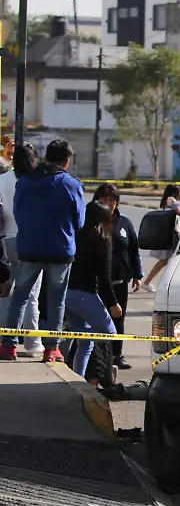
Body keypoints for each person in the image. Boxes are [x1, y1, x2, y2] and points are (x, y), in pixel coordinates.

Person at [1, 139, 86, 363]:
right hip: (61, 250)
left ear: (46, 156)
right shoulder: (71, 184)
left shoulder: (26, 181)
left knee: (20, 296)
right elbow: (79, 222)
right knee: (56, 299)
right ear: (66, 162)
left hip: (29, 247)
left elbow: (18, 213)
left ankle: (9, 346)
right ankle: (51, 349)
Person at [63, 201, 122, 381]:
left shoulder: (75, 234)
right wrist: (113, 303)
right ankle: (101, 374)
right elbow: (104, 276)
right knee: (108, 331)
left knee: (85, 340)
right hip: (84, 293)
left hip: (67, 293)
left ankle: (77, 379)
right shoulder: (102, 238)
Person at [0, 139, 44, 358]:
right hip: (30, 241)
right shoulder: (36, 182)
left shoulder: (1, 180)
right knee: (31, 294)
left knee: (5, 292)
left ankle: (5, 339)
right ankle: (33, 342)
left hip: (4, 240)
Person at [93, 184, 141, 369]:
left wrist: (137, 274)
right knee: (99, 321)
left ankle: (116, 355)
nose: (109, 203)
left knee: (118, 319)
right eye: (104, 199)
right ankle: (98, 358)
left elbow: (133, 250)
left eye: (112, 200)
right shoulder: (90, 222)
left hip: (120, 281)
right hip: (96, 283)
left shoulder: (125, 223)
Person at [142, 184, 180, 293]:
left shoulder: (166, 201)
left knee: (167, 261)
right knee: (168, 260)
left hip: (167, 234)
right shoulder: (172, 199)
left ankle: (149, 282)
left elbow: (175, 214)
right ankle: (148, 282)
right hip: (172, 235)